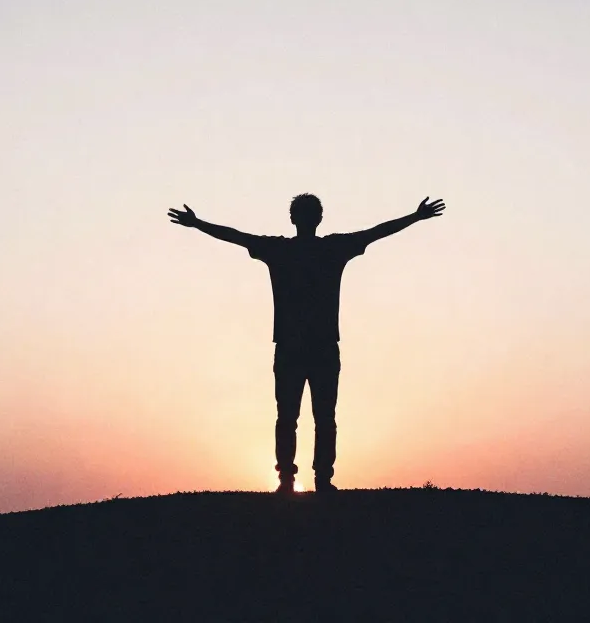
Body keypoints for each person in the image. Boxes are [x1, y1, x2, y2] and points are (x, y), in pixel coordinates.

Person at [168, 194, 446, 494]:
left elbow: (235, 236)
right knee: (321, 418)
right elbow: (376, 232)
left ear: (293, 218)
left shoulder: (281, 250)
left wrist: (198, 223)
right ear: (319, 218)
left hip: (293, 347)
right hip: (320, 347)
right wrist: (414, 217)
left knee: (290, 417)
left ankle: (290, 479)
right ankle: (320, 479)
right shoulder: (332, 248)